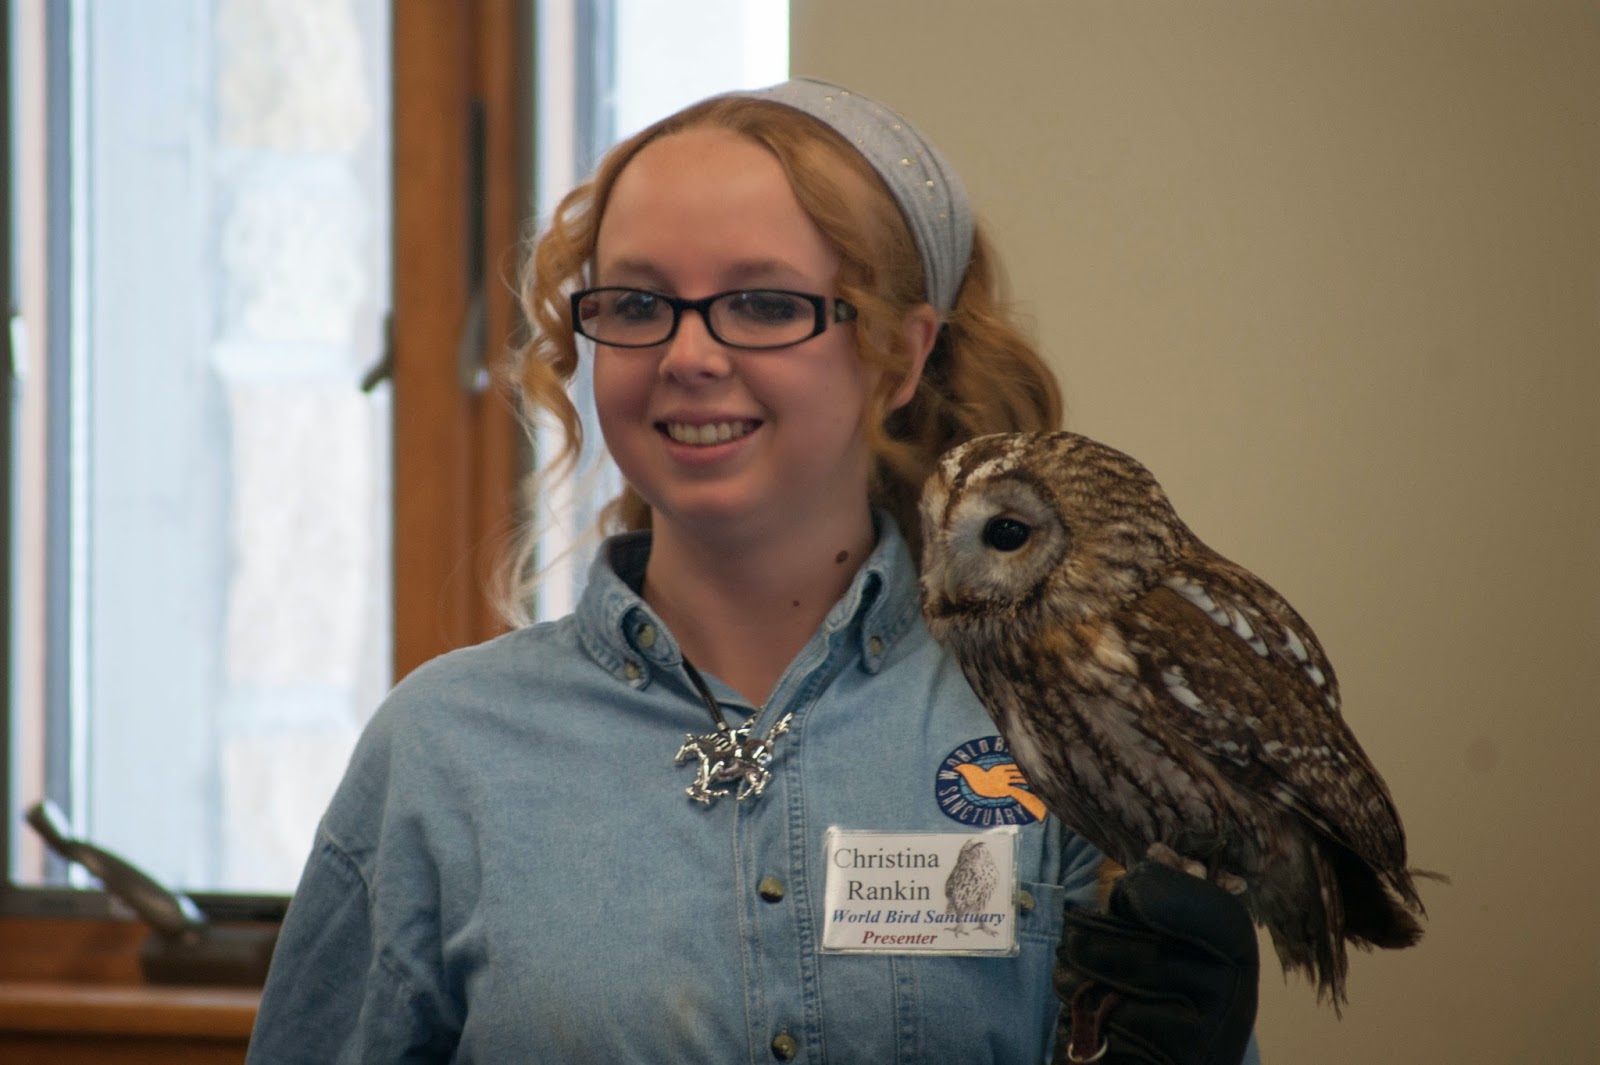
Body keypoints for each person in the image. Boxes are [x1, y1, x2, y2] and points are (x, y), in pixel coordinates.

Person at [246, 77, 1261, 1064]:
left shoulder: (1059, 732)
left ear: (900, 356)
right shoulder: (445, 750)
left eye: (764, 304)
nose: (687, 355)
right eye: (636, 303)